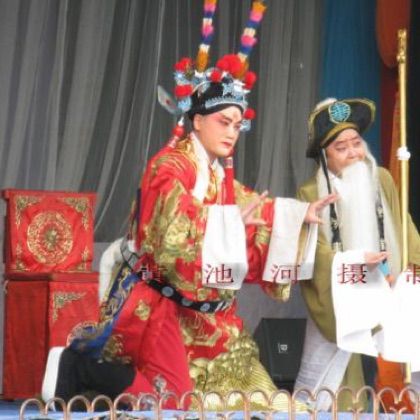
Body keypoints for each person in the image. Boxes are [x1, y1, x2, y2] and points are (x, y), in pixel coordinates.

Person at [42, 1, 337, 410]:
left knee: (267, 404)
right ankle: (82, 368)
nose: (232, 132)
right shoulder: (169, 167)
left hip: (212, 319)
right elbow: (171, 238)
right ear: (197, 120)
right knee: (176, 406)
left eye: (237, 124)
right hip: (162, 310)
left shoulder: (219, 175)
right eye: (223, 122)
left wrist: (299, 217)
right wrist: (228, 223)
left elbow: (255, 210)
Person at [294, 97, 420, 411]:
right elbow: (313, 252)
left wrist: (410, 268)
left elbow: (404, 228)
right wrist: (353, 265)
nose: (353, 153)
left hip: (389, 284)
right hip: (342, 294)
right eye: (341, 148)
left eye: (357, 143)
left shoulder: (382, 178)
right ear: (324, 156)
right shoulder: (310, 193)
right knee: (334, 395)